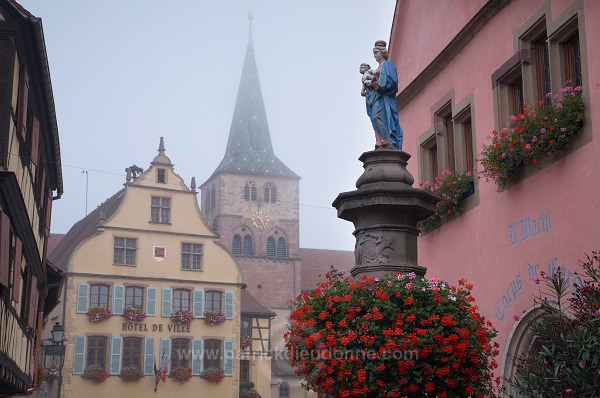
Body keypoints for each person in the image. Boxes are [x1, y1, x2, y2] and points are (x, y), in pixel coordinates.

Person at [364, 40, 403, 150]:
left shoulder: (388, 65)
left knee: (378, 117)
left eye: (376, 53)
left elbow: (392, 82)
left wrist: (379, 85)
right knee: (375, 119)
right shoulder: (376, 69)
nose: (375, 56)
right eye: (374, 54)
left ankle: (390, 140)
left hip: (384, 98)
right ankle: (382, 140)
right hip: (376, 98)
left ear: (382, 52)